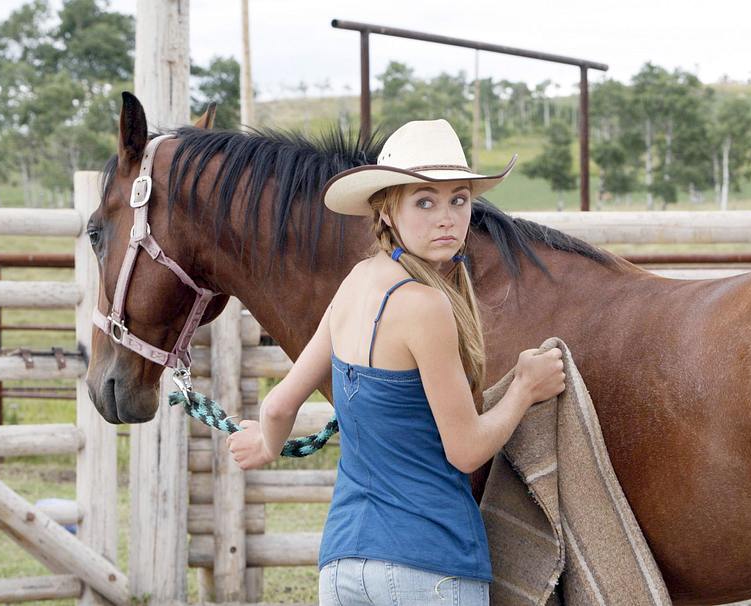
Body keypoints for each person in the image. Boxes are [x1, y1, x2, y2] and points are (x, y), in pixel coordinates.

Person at [227, 118, 566, 605]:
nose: (446, 217)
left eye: (459, 199)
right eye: (424, 201)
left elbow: (280, 405)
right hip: (429, 565)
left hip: (344, 566)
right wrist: (523, 391)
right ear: (386, 211)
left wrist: (264, 444)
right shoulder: (426, 307)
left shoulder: (358, 282)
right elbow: (466, 450)